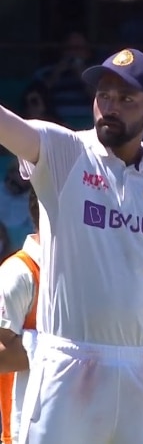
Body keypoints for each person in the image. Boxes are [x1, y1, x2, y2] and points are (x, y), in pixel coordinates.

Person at [0, 47, 143, 444]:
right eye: (104, 96)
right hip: (68, 361)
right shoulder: (65, 151)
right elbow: (6, 125)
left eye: (126, 99)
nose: (110, 107)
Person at [0, 188, 41, 444]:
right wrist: (68, 349)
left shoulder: (81, 272)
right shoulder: (18, 271)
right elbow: (2, 353)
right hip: (19, 434)